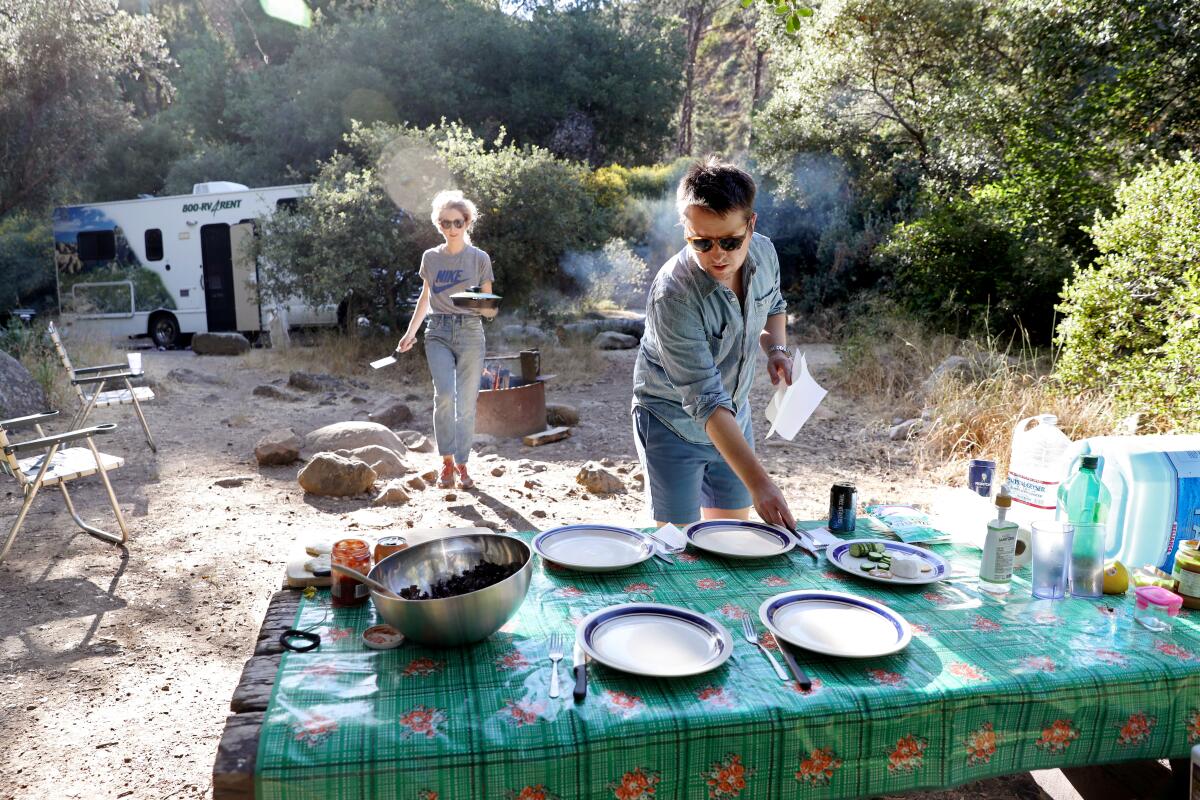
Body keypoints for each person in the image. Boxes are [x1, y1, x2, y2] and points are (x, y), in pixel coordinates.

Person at [632, 157, 796, 530]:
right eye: (700, 242)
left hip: (734, 419)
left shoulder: (765, 254)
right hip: (670, 421)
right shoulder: (672, 295)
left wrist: (776, 350)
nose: (717, 254)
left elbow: (775, 307)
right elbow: (704, 398)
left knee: (729, 539)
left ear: (751, 226)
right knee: (679, 546)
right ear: (685, 230)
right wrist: (761, 483)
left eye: (730, 241)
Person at [396, 190, 496, 490]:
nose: (451, 228)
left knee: (466, 404)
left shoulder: (479, 258)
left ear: (467, 223)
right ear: (438, 224)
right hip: (437, 331)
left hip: (470, 332)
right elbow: (425, 298)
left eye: (457, 222)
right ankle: (446, 461)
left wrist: (473, 302)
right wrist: (410, 333)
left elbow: (489, 308)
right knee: (444, 396)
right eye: (444, 223)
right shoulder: (431, 257)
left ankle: (463, 465)